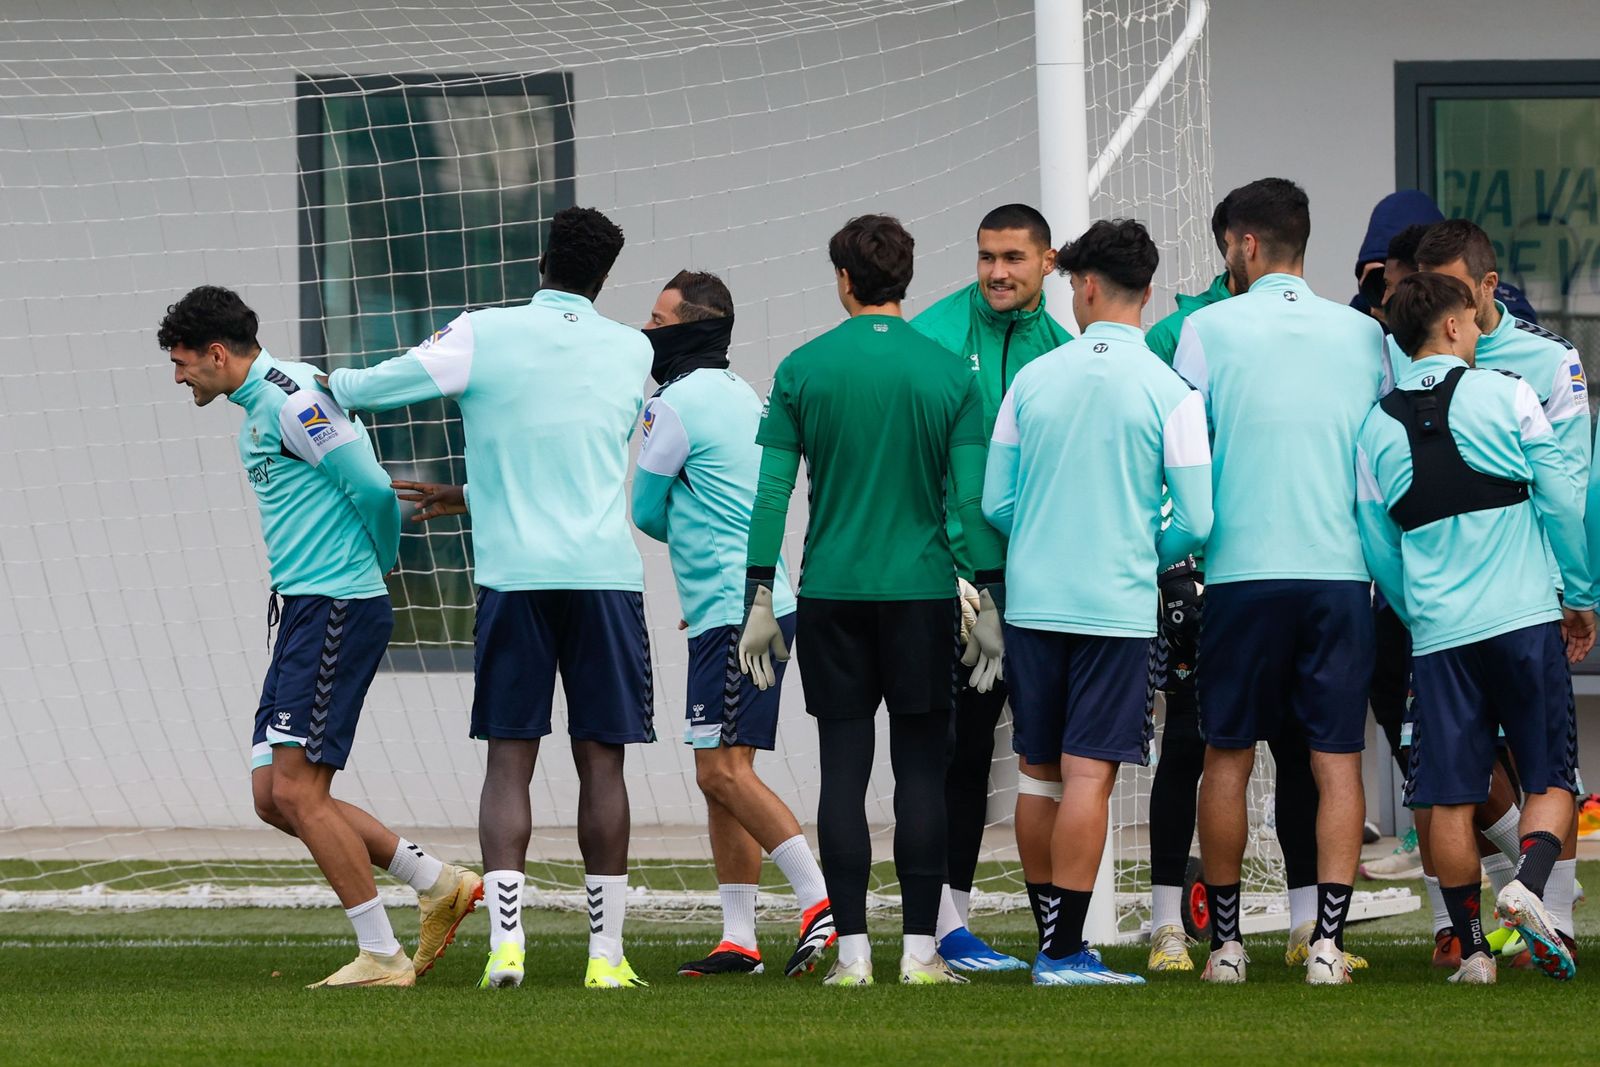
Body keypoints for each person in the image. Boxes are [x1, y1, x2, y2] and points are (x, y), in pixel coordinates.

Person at [323, 206, 655, 991]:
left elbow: (370, 388)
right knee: (601, 761)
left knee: (510, 758)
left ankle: (508, 948)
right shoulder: (632, 348)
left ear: (542, 262)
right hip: (606, 578)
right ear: (603, 278)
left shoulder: (483, 330)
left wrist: (315, 382)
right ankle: (606, 960)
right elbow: (575, 452)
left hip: (514, 578)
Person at [158, 285, 480, 989]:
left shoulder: (293, 397)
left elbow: (368, 483)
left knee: (302, 792)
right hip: (303, 609)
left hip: (336, 605)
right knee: (273, 795)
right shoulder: (256, 406)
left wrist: (382, 558)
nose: (178, 377)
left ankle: (383, 956)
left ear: (216, 353)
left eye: (182, 363)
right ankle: (437, 882)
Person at [739, 214, 1005, 986]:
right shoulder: (953, 374)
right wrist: (988, 597)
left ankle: (852, 955)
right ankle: (920, 952)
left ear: (845, 281)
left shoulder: (802, 367)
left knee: (843, 772)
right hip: (924, 594)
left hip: (831, 595)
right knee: (922, 773)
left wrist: (760, 591)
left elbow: (772, 492)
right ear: (906, 281)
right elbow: (975, 499)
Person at [983, 219, 1212, 985]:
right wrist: (1134, 551)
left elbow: (997, 502)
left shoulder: (1032, 379)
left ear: (1083, 286)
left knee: (1039, 773)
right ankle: (1061, 951)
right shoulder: (1170, 389)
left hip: (1035, 603)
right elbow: (1199, 519)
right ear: (1148, 292)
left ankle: (1053, 941)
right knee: (1090, 777)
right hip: (1114, 607)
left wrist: (1048, 540)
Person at [1173, 178, 1388, 985]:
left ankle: (1227, 946)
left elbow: (1185, 452)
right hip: (1340, 574)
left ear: (1247, 245)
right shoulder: (1362, 335)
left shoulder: (1205, 327)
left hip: (1240, 574)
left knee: (1226, 757)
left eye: (1228, 243)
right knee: (1337, 760)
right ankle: (1325, 945)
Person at [1356, 271, 1595, 983]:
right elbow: (1560, 495)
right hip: (1523, 620)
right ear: (1457, 327)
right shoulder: (1508, 392)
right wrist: (1578, 592)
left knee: (1447, 796)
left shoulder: (1373, 427)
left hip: (1437, 637)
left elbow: (1377, 546)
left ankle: (1474, 951)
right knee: (1551, 774)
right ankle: (1528, 881)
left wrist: (1418, 611)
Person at [1143, 194, 1344, 974]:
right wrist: (1171, 564)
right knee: (1194, 741)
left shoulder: (1329, 334)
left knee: (1297, 749)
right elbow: (1165, 446)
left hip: (1258, 574)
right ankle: (1173, 921)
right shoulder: (1184, 330)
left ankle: (1300, 927)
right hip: (1221, 572)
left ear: (1244, 243)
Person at [631, 270, 835, 978]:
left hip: (731, 607)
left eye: (658, 319)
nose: (648, 330)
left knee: (720, 769)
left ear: (689, 326)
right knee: (725, 770)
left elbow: (646, 509)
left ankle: (818, 902)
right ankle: (740, 937)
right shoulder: (742, 391)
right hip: (763, 600)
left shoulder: (675, 404)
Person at [1415, 218, 1591, 955]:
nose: (1441, 308)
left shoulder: (1547, 362)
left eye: (1453, 289)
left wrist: (1570, 590)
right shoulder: (1410, 356)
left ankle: (1558, 917)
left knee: (1547, 762)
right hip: (1435, 604)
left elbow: (1568, 483)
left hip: (1528, 594)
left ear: (1487, 288)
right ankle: (1462, 925)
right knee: (1443, 769)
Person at [910, 203, 1072, 971]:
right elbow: (918, 465)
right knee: (959, 753)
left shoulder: (1065, 349)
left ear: (1047, 262)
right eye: (986, 257)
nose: (998, 271)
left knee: (1045, 756)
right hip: (956, 583)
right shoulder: (936, 333)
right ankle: (951, 924)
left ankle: (1058, 930)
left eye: (1013, 257)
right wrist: (958, 578)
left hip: (1038, 590)